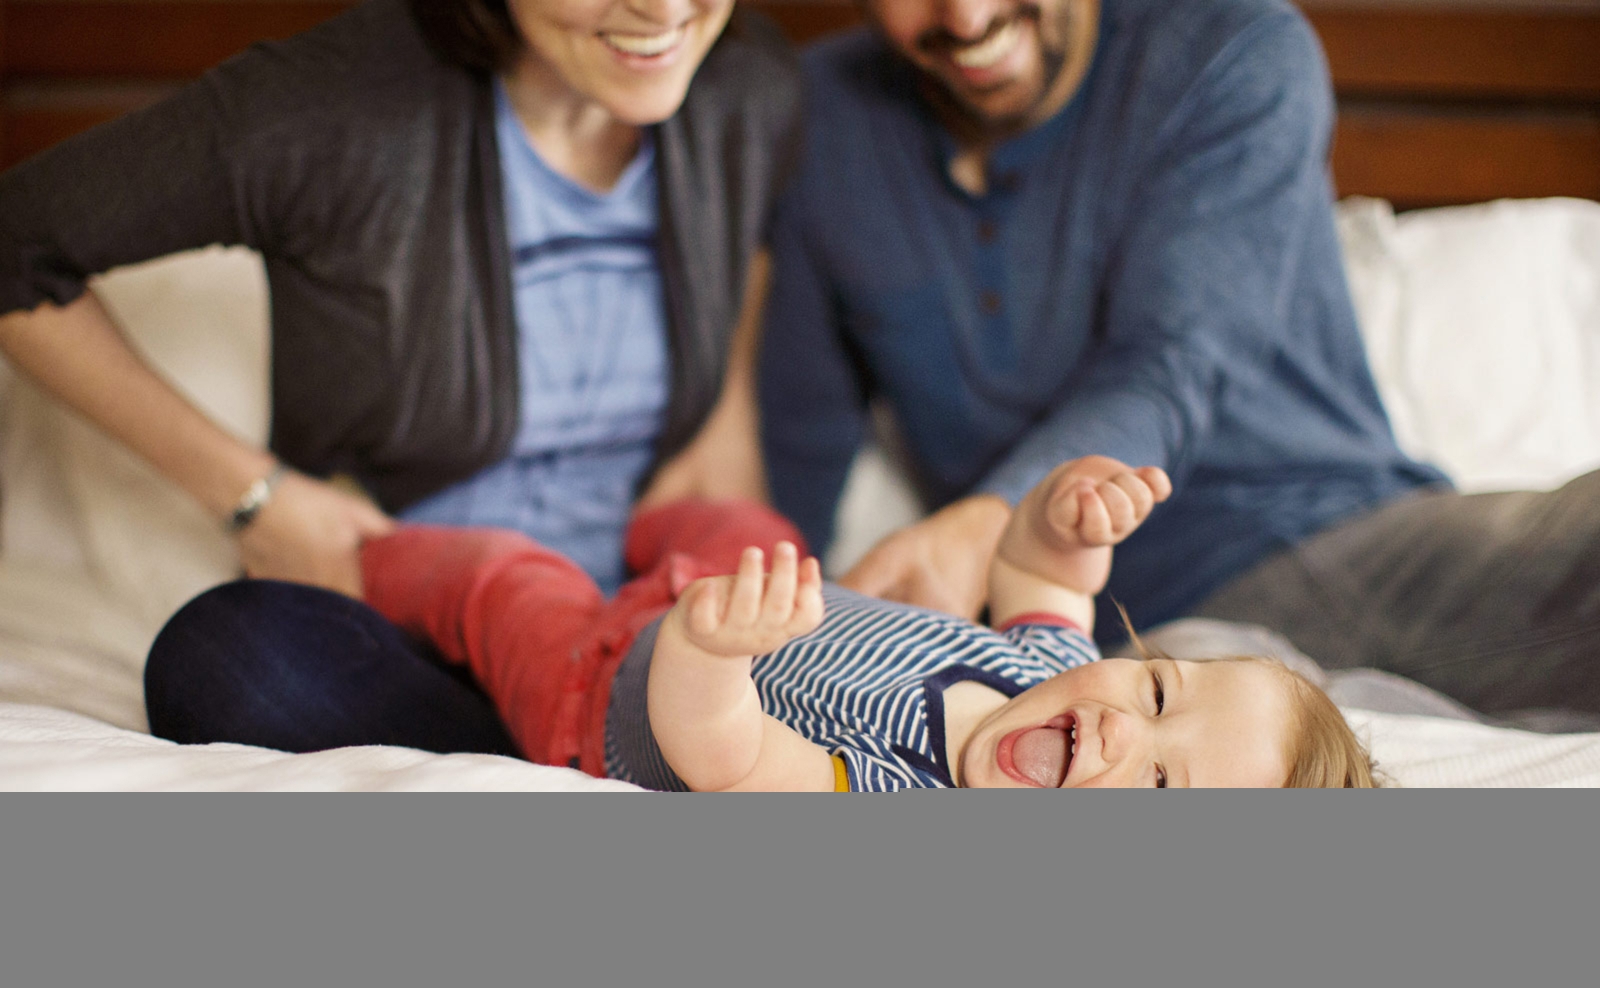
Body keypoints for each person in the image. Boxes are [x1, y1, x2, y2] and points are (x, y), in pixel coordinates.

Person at [757, 0, 1600, 717]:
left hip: (1366, 539)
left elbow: (1174, 365)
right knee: (1192, 740)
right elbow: (795, 443)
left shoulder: (1230, 47)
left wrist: (988, 523)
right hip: (1119, 629)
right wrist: (780, 633)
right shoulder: (817, 117)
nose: (967, 19)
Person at [0, 0, 801, 753]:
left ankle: (623, 736)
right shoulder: (329, 105)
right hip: (416, 630)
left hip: (661, 623)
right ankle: (604, 744)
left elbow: (746, 261)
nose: (664, 10)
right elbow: (16, 249)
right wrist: (256, 497)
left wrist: (720, 421)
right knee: (227, 658)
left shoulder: (749, 89)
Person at [321, 454, 1375, 788]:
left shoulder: (896, 799)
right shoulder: (1048, 674)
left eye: (1159, 787)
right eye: (1155, 689)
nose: (1119, 727)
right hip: (743, 588)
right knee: (740, 518)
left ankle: (356, 544)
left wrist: (704, 650)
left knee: (499, 580)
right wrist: (1065, 523)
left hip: (602, 679)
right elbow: (1035, 574)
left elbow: (730, 758)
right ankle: (640, 516)